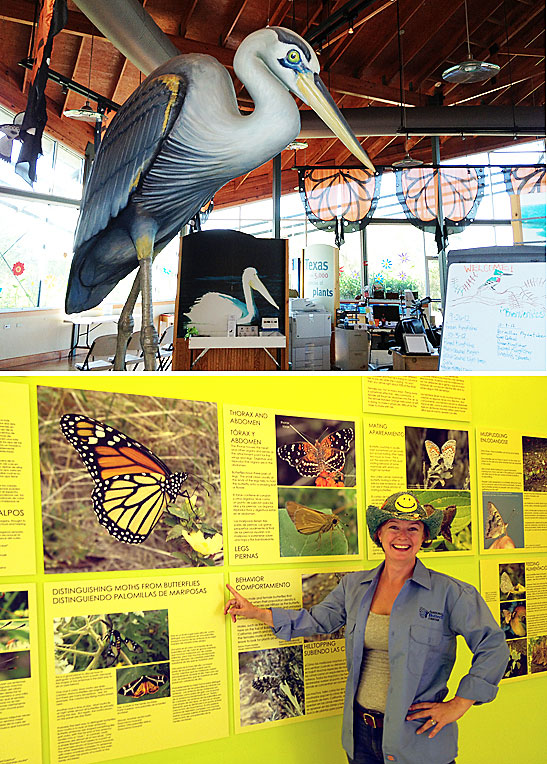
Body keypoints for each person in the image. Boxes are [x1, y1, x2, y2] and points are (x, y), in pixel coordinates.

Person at [224, 491, 509, 764]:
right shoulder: (354, 587)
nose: (402, 536)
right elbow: (316, 620)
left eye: (413, 528)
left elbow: (493, 646)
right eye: (393, 526)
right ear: (379, 535)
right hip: (360, 736)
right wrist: (259, 613)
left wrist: (460, 703)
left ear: (424, 537)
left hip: (417, 739)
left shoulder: (451, 593)